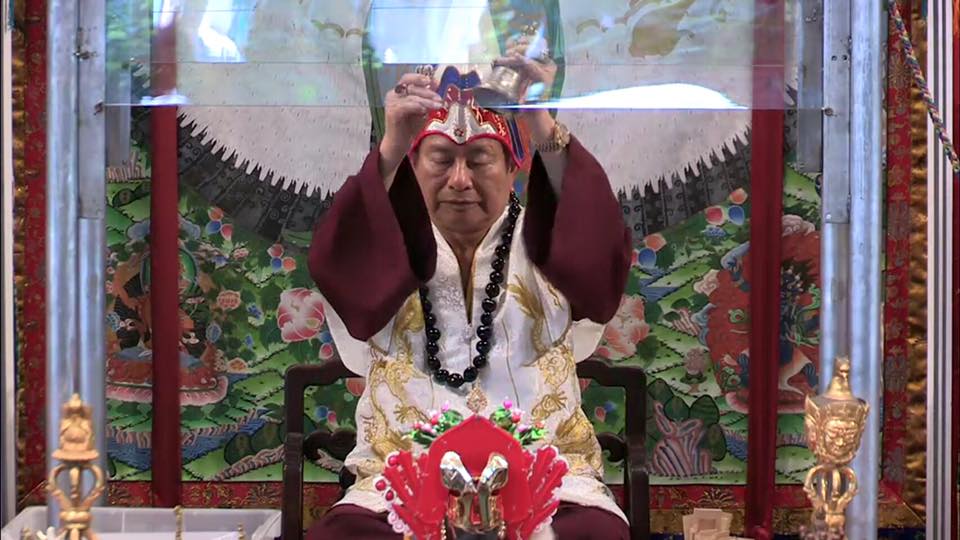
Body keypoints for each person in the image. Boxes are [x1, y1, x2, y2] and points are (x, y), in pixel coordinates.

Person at [306, 47, 633, 539]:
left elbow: (598, 263)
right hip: (403, 476)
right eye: (441, 159)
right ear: (415, 167)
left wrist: (540, 121)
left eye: (479, 159)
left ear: (512, 166)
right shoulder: (389, 241)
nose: (460, 180)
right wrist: (392, 144)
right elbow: (341, 269)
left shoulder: (549, 239)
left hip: (545, 476)